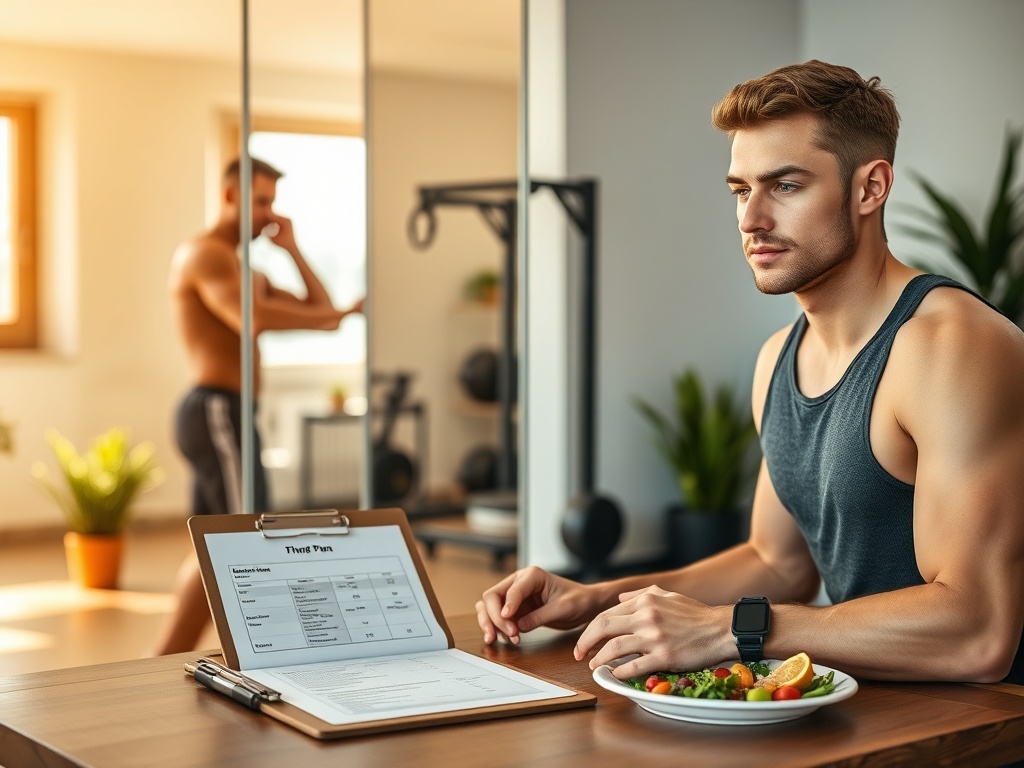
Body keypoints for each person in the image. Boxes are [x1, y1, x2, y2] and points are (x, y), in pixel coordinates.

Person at [476, 60, 1024, 685]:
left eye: (786, 186)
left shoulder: (951, 345)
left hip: (986, 727)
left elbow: (979, 633)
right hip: (875, 712)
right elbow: (777, 562)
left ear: (870, 188)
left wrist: (728, 627)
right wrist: (599, 598)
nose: (750, 219)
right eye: (741, 190)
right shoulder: (777, 359)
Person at [152, 157, 363, 655]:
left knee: (211, 550)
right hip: (215, 411)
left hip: (229, 413)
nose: (269, 213)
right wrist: (337, 314)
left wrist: (292, 249)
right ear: (230, 196)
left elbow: (320, 311)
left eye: (272, 201)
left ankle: (157, 663)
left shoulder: (243, 267)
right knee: (245, 540)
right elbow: (251, 318)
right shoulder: (204, 255)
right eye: (261, 201)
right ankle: (264, 656)